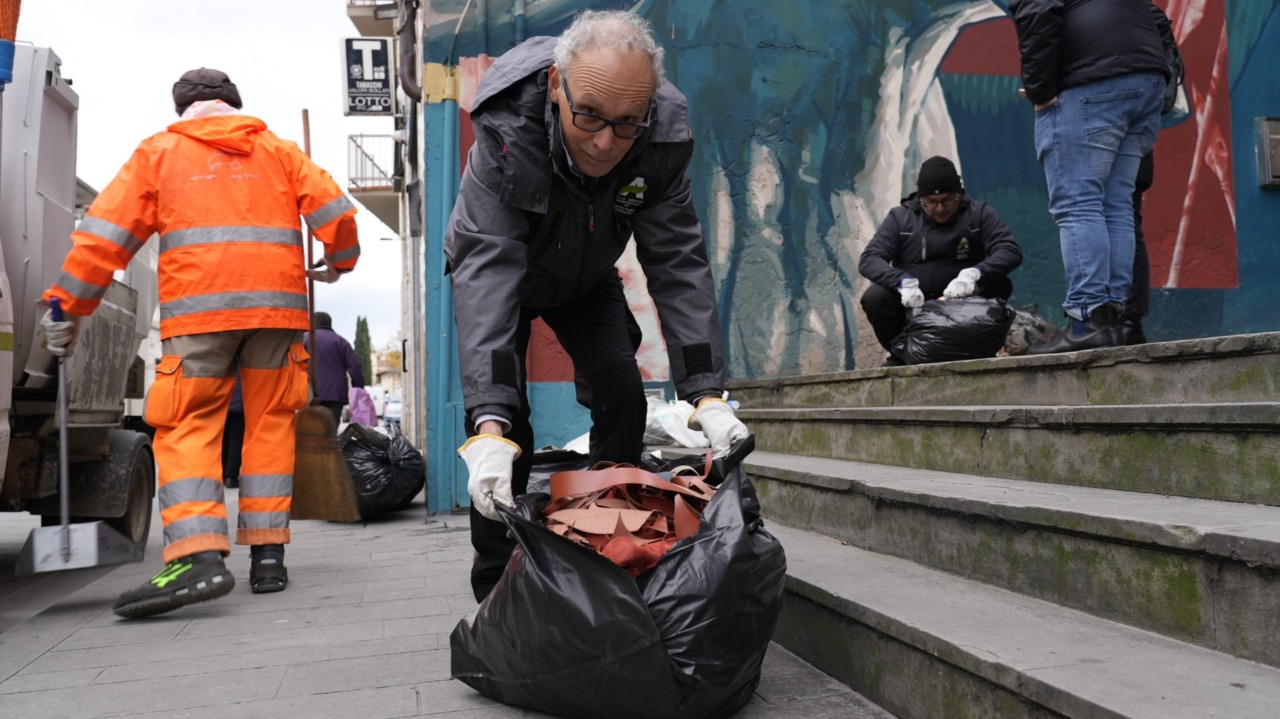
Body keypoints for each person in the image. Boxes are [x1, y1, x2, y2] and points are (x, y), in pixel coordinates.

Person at [444, 10, 749, 601]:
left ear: (647, 113)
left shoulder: (657, 146)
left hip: (584, 278)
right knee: (506, 436)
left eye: (626, 123)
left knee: (622, 391)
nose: (605, 142)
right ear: (557, 86)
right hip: (506, 273)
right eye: (588, 115)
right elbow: (488, 277)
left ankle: (603, 541)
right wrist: (488, 422)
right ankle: (497, 591)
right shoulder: (507, 135)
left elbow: (678, 262)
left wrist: (706, 392)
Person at [39, 68, 361, 617]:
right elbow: (337, 213)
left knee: (190, 426)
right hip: (276, 314)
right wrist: (339, 262)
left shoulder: (159, 154)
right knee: (269, 427)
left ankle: (197, 556)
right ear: (233, 105)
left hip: (199, 314)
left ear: (183, 108)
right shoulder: (279, 152)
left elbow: (104, 240)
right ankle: (267, 558)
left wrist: (67, 309)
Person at [1010, 0, 1169, 354]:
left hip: (1094, 84)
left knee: (1078, 204)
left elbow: (1036, 10)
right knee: (1116, 206)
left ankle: (1087, 321)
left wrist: (1040, 90)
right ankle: (1112, 323)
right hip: (1146, 79)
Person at [858, 156, 1023, 366]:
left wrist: (975, 275)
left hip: (964, 307)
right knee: (875, 297)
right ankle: (903, 354)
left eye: (947, 200)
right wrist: (901, 282)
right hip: (914, 307)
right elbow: (869, 258)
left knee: (1000, 284)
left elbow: (1009, 250)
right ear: (920, 199)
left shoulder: (978, 213)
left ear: (958, 195)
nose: (940, 208)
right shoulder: (900, 218)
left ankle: (975, 351)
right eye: (931, 203)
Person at [303, 311, 366, 425]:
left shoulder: (305, 339)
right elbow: (355, 367)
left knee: (309, 430)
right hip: (335, 395)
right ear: (330, 323)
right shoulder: (341, 342)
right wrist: (359, 388)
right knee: (331, 429)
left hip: (308, 393)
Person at [222, 372, 244, 489]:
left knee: (223, 439)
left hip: (224, 402)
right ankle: (231, 476)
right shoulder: (242, 359)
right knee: (236, 439)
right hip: (239, 403)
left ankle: (222, 473)